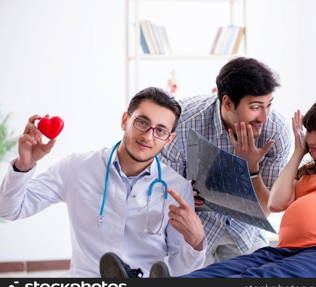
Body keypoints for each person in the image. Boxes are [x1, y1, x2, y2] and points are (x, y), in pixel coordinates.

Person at [149, 95, 316, 278]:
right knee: (214, 274)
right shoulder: (310, 171)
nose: (311, 139)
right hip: (285, 251)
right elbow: (276, 202)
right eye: (309, 131)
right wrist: (298, 152)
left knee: (253, 280)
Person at [0, 87, 206, 277]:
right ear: (125, 120)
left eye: (160, 130)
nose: (148, 136)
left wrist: (196, 242)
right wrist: (24, 165)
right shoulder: (76, 168)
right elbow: (9, 210)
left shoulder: (177, 188)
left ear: (168, 139)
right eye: (142, 122)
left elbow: (182, 269)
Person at [159, 57, 291, 265]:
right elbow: (166, 196)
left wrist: (251, 169)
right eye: (255, 107)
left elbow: (266, 208)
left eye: (268, 105)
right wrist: (186, 195)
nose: (264, 117)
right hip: (195, 228)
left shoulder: (276, 131)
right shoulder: (182, 122)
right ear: (227, 103)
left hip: (244, 231)